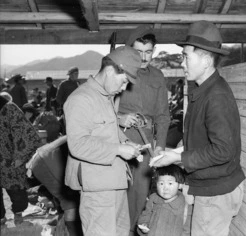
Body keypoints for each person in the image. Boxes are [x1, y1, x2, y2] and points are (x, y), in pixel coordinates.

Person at [152, 21, 246, 236]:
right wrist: (175, 151)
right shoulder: (203, 89)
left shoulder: (216, 96)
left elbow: (223, 150)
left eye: (186, 56)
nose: (182, 63)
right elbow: (202, 138)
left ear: (205, 60)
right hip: (208, 188)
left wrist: (178, 159)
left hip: (216, 193)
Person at [63, 46, 142, 235]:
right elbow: (78, 144)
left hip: (114, 180)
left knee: (122, 231)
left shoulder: (105, 96)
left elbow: (106, 128)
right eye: (123, 82)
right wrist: (118, 149)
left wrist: (124, 142)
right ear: (109, 71)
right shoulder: (81, 99)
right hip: (97, 187)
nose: (124, 88)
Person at [117, 25, 170, 234]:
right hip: (119, 139)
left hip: (145, 142)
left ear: (154, 51)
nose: (144, 57)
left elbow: (164, 116)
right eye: (138, 51)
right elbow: (100, 111)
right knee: (118, 195)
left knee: (139, 196)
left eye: (148, 51)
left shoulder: (157, 76)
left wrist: (161, 146)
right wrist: (120, 119)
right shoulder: (117, 73)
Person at [26, 135, 82, 236]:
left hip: (51, 159)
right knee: (71, 201)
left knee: (72, 201)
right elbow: (70, 135)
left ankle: (62, 230)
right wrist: (45, 150)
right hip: (47, 161)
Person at [0, 95, 41, 222]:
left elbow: (26, 132)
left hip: (9, 159)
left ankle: (18, 214)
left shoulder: (8, 108)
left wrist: (20, 156)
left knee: (19, 198)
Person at [137, 165, 192, 236]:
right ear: (156, 184)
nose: (165, 188)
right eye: (161, 183)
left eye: (170, 183)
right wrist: (144, 225)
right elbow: (145, 215)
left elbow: (187, 231)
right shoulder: (153, 200)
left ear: (180, 185)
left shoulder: (186, 208)